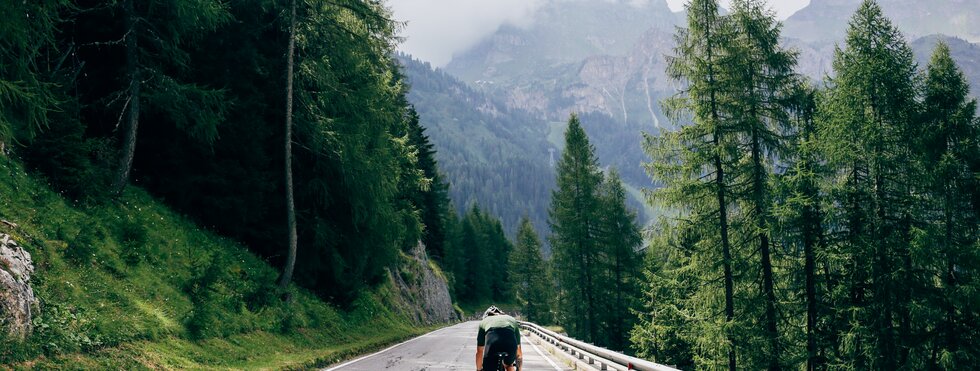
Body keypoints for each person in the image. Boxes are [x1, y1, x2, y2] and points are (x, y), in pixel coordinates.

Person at [475, 305, 523, 371]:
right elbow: (518, 349)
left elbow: (479, 351)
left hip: (492, 342)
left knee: (489, 368)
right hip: (510, 342)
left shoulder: (484, 321)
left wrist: (478, 369)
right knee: (509, 365)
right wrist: (519, 369)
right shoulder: (511, 319)